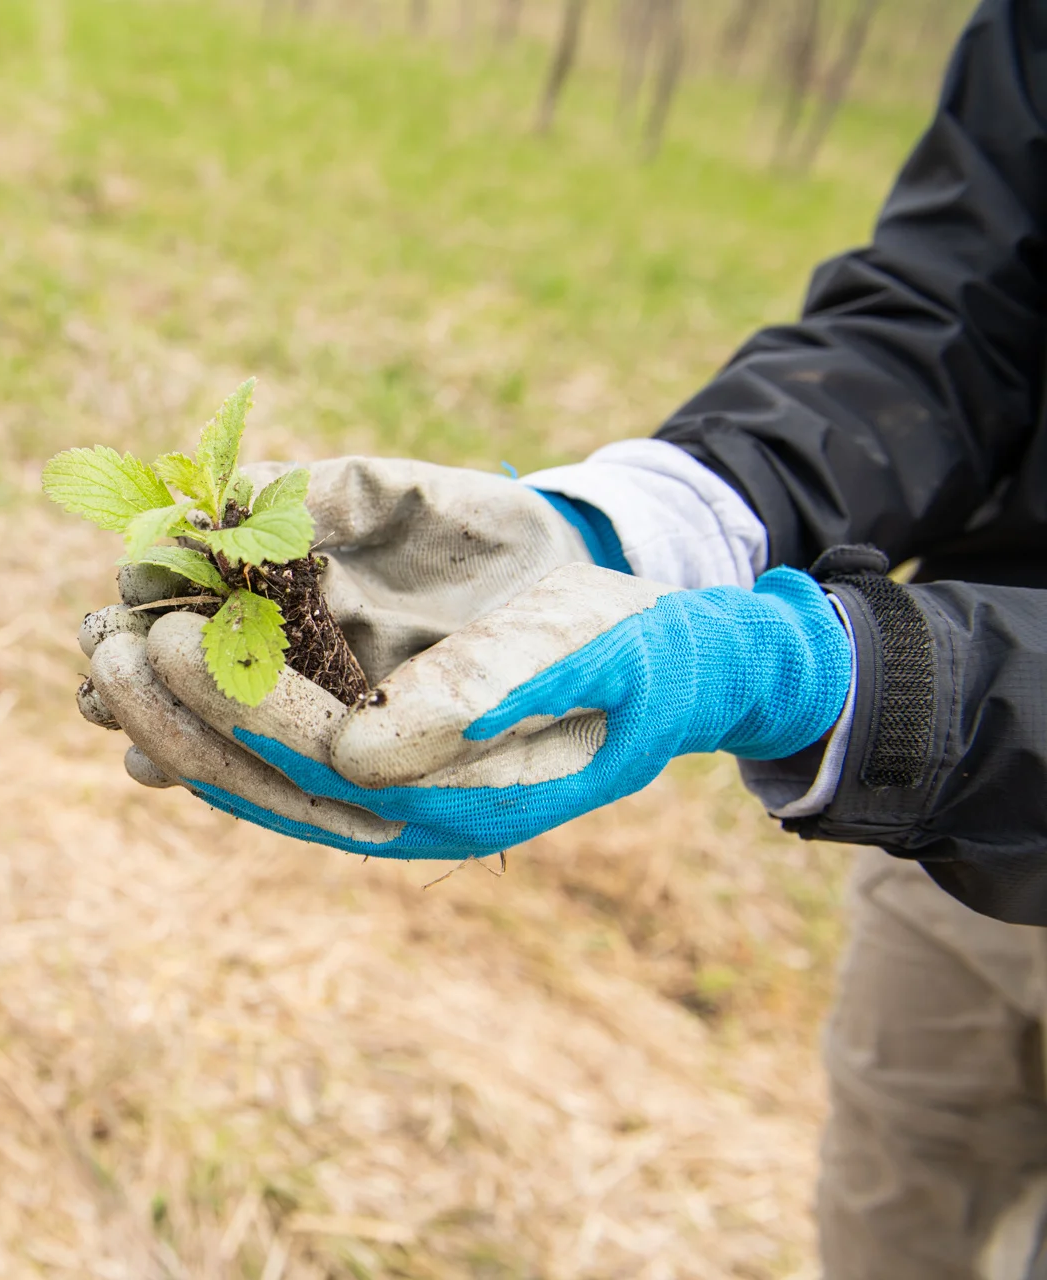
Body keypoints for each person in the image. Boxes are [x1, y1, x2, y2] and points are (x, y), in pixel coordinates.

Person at [79, 1, 1047, 1274]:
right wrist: (636, 521)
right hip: (956, 835)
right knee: (890, 1184)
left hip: (965, 733)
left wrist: (843, 676)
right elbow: (955, 313)